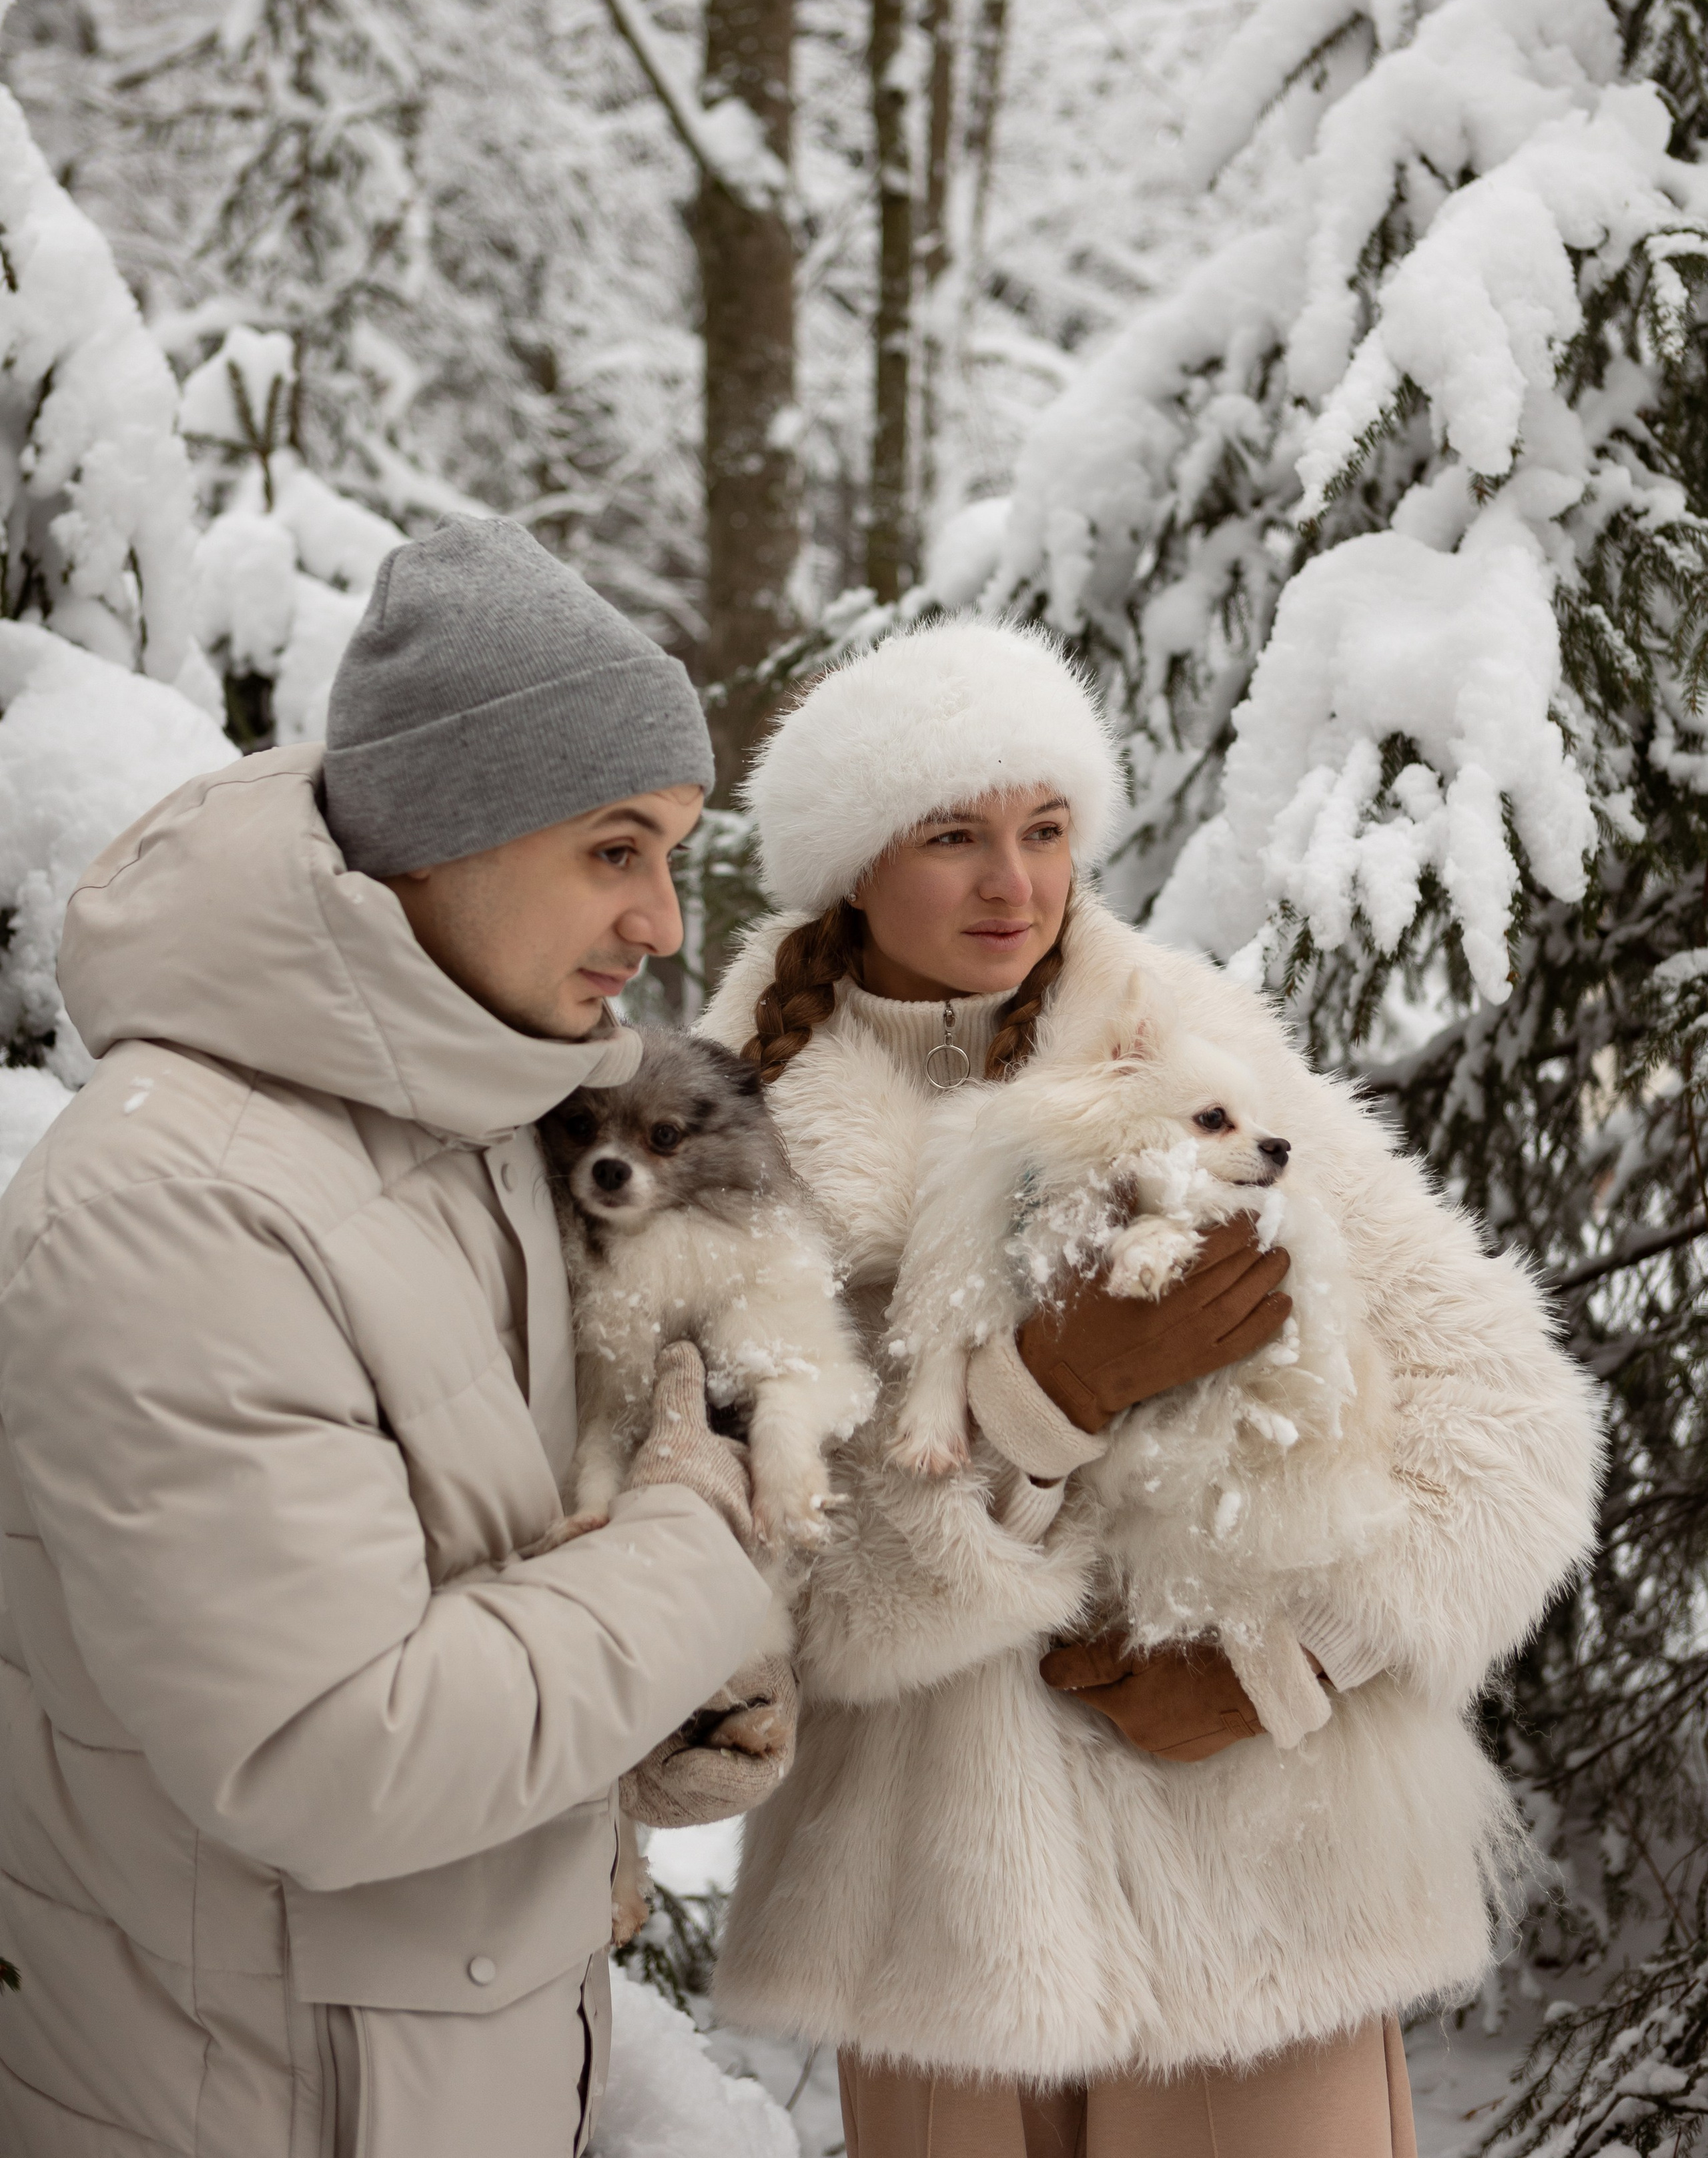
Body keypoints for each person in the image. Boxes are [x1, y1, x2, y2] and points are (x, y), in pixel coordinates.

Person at [704, 617, 1603, 2158]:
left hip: (1265, 1888)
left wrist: (1285, 1660)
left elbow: (1505, 1412)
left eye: (1044, 830)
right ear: (854, 864)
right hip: (944, 1924)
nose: (1014, 884)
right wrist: (1040, 1404)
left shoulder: (1192, 1046)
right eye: (952, 838)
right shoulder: (728, 1133)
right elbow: (767, 1587)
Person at [0, 519, 789, 2158]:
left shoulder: (492, 1129)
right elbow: (331, 1755)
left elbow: (489, 1594)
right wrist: (698, 1551)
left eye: (674, 854)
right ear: (448, 832)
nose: (660, 922)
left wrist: (649, 1739)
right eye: (614, 847)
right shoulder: (181, 1207)